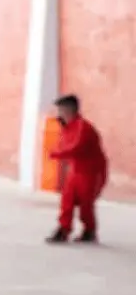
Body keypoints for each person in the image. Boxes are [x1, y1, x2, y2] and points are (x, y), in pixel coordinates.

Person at [46, 94, 108, 244]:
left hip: (91, 171)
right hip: (76, 169)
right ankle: (63, 229)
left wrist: (56, 154)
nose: (59, 113)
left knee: (86, 203)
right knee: (67, 199)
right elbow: (64, 144)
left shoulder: (83, 127)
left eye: (61, 110)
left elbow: (77, 147)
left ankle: (89, 231)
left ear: (69, 110)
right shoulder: (68, 127)